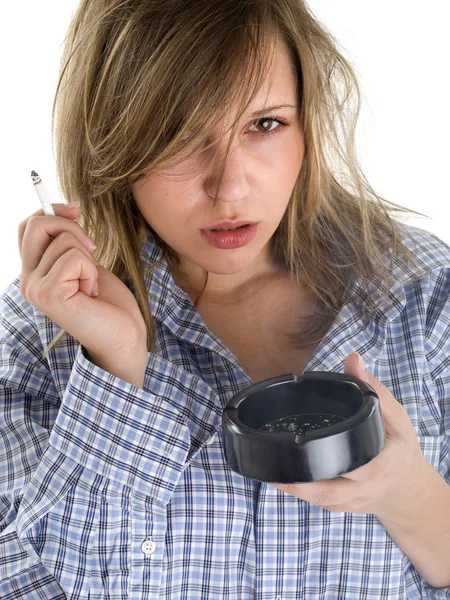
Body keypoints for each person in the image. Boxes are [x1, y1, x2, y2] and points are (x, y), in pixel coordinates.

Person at [1, 0, 449, 597]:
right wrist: (115, 370)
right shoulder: (39, 337)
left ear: (308, 121)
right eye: (181, 136)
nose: (231, 186)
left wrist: (407, 493)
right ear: (110, 141)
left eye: (265, 125)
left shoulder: (421, 295)